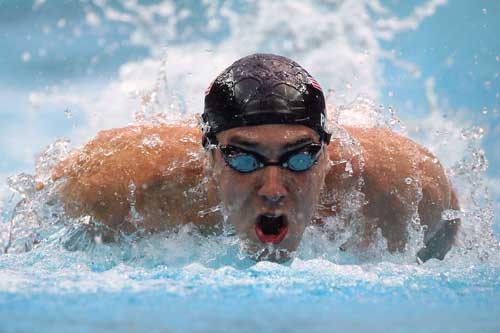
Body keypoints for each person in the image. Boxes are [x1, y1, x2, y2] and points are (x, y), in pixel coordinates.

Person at [51, 53, 460, 263]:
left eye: (299, 158)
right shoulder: (122, 189)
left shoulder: (407, 190)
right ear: (210, 157)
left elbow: (443, 247)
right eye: (244, 159)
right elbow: (38, 225)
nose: (273, 189)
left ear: (328, 155)